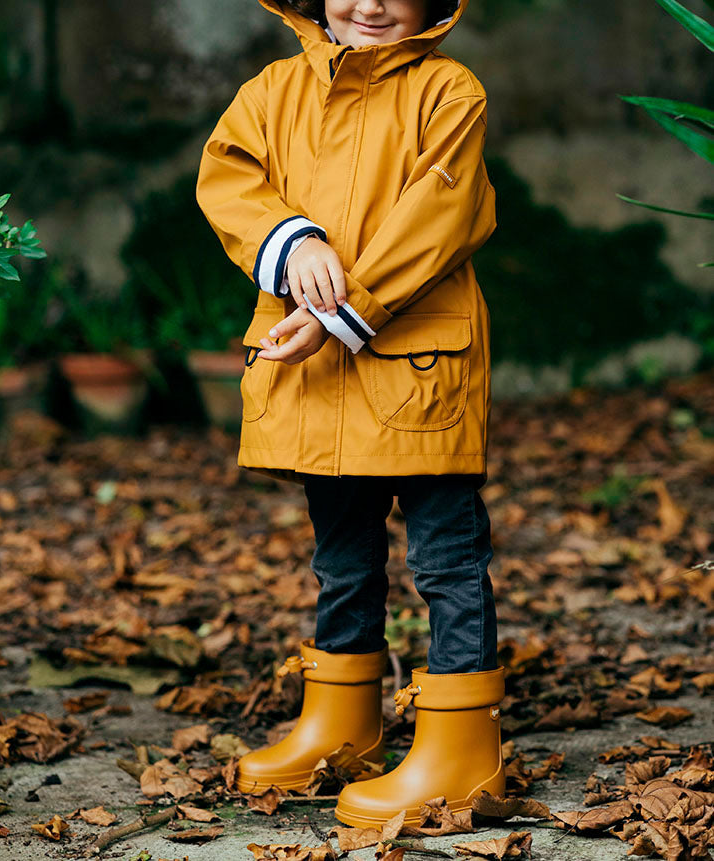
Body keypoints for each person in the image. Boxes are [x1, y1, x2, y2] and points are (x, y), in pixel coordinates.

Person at [196, 0, 506, 828]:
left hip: (412, 362)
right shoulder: (271, 90)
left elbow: (443, 214)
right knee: (341, 555)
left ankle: (460, 747)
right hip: (316, 372)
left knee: (445, 555)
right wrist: (291, 243)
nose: (369, 3)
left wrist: (346, 302)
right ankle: (341, 722)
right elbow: (229, 175)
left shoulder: (449, 89)